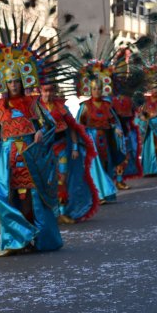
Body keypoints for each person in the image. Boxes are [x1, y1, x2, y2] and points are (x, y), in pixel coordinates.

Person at [0, 9, 65, 257]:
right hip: (7, 158)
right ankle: (17, 239)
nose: (13, 85)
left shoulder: (34, 105)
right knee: (6, 198)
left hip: (32, 156)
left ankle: (39, 237)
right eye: (9, 82)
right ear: (4, 84)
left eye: (16, 82)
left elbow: (50, 124)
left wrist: (41, 133)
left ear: (22, 82)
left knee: (32, 198)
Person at [40, 83, 99, 224]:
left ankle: (62, 211)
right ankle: (51, 213)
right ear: (40, 92)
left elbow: (72, 128)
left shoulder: (62, 108)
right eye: (45, 91)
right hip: (44, 151)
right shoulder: (36, 108)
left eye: (50, 91)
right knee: (47, 181)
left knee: (62, 179)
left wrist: (74, 147)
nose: (48, 94)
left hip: (62, 149)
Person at [76, 73, 125, 204]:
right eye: (94, 89)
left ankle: (107, 193)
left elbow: (113, 121)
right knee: (94, 167)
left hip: (105, 138)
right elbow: (79, 124)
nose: (97, 91)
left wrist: (117, 129)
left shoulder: (107, 105)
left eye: (99, 88)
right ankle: (97, 194)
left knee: (106, 164)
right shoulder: (85, 106)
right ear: (90, 90)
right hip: (91, 139)